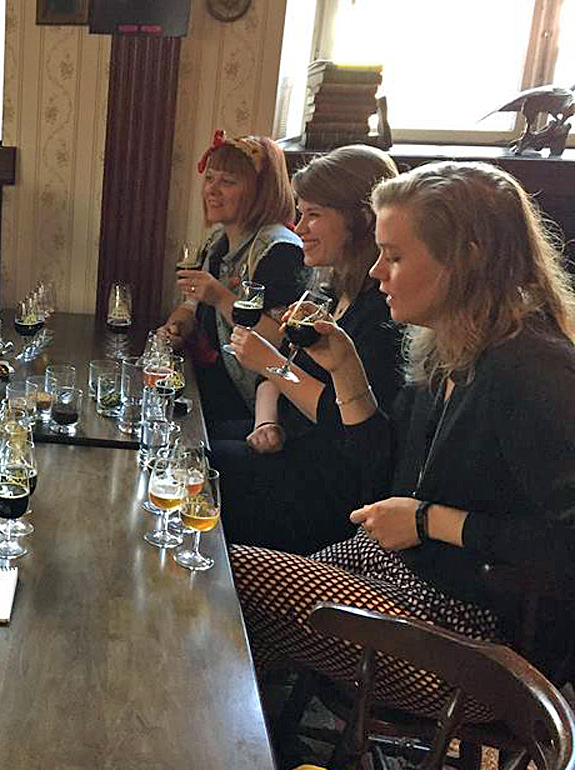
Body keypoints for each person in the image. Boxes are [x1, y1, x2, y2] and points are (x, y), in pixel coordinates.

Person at [230, 161, 575, 719]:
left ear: (466, 258)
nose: (376, 271)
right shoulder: (447, 346)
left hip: (471, 639)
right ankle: (253, 747)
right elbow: (381, 474)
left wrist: (430, 521)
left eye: (393, 256)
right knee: (230, 609)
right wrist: (345, 369)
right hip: (399, 570)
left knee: (234, 578)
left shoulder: (533, 369)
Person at [216, 145, 404, 553]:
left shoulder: (382, 313)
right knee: (191, 441)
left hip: (326, 489)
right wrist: (266, 422)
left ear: (361, 221)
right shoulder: (330, 291)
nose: (299, 227)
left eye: (313, 215)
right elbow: (279, 372)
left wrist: (271, 365)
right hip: (289, 442)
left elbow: (350, 428)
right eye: (299, 213)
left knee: (203, 468)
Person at [161, 130, 308, 430]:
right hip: (205, 389)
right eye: (209, 178)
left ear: (261, 191)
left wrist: (221, 297)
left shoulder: (280, 251)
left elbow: (283, 341)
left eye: (227, 182)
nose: (212, 190)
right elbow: (190, 307)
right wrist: (176, 329)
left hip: (255, 413)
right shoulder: (218, 242)